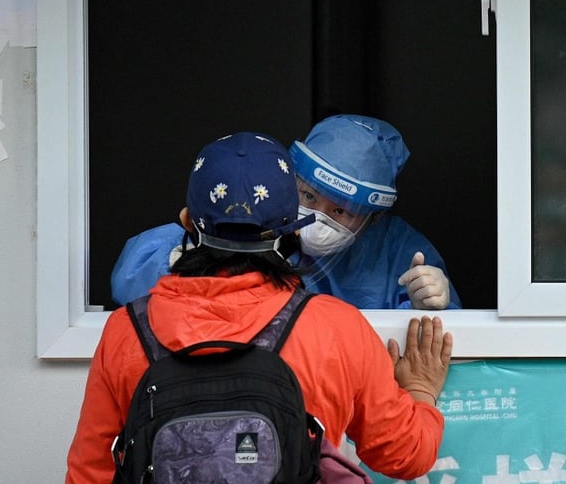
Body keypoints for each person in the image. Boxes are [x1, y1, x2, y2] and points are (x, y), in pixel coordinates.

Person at [67, 131, 453, 483]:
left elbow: (89, 473)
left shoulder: (127, 330)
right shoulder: (336, 328)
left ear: (186, 221)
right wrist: (419, 389)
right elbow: (406, 455)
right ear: (293, 227)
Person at [110, 114, 461, 310]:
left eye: (340, 211)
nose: (316, 217)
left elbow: (429, 344)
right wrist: (181, 258)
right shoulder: (255, 219)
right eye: (307, 196)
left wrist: (433, 309)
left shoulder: (399, 251)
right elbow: (130, 280)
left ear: (373, 218)